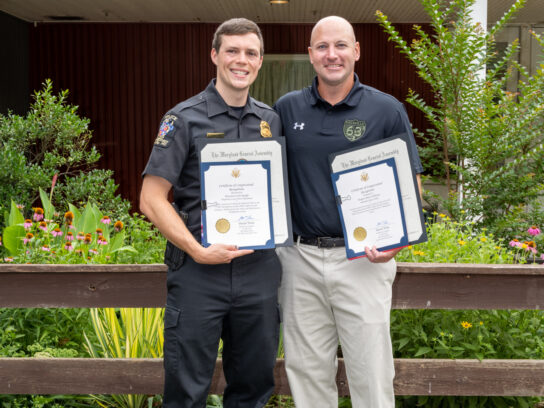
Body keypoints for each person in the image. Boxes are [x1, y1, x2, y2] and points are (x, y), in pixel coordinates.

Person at [273, 16, 423, 408]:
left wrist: (398, 242)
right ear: (310, 55)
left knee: (371, 372)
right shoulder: (287, 110)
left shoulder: (386, 109)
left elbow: (412, 186)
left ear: (356, 51)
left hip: (364, 262)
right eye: (322, 46)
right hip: (299, 260)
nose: (332, 54)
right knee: (306, 371)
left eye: (341, 45)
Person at [140, 18, 282, 408]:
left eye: (250, 53)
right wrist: (196, 249)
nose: (241, 60)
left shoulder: (270, 121)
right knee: (186, 391)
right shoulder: (183, 119)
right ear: (215, 55)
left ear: (260, 61)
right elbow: (151, 198)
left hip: (258, 273)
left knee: (253, 389)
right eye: (232, 51)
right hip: (199, 273)